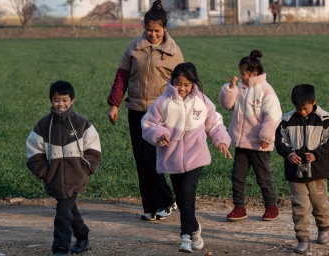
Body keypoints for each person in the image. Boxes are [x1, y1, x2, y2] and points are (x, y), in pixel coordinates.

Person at [142, 62, 232, 253]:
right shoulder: (163, 102)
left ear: (193, 84)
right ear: (172, 82)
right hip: (172, 159)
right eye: (178, 83)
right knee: (182, 200)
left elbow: (214, 123)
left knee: (186, 193)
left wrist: (221, 140)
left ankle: (185, 236)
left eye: (186, 85)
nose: (181, 88)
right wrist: (159, 134)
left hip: (195, 156)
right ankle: (195, 227)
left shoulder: (202, 101)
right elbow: (148, 124)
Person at [107, 0, 184, 221]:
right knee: (141, 160)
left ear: (164, 29)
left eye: (157, 31)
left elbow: (183, 83)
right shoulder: (133, 48)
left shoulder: (174, 53)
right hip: (136, 110)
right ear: (144, 28)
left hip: (160, 114)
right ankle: (150, 207)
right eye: (149, 30)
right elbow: (121, 77)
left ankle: (167, 200)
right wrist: (115, 104)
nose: (152, 34)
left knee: (150, 157)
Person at [26, 81, 102, 256]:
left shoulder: (81, 123)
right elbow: (33, 148)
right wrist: (43, 171)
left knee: (63, 212)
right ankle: (82, 235)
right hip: (54, 177)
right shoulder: (44, 124)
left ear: (72, 100)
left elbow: (94, 149)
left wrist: (85, 168)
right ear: (51, 100)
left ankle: (60, 248)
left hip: (76, 177)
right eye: (56, 100)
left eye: (64, 100)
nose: (60, 104)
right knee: (69, 209)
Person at [219, 50, 282, 222]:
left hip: (259, 143)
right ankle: (239, 207)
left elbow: (274, 115)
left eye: (243, 74)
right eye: (240, 73)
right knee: (237, 177)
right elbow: (228, 105)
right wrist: (230, 89)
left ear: (254, 73)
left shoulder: (266, 90)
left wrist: (266, 136)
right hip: (241, 142)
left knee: (263, 177)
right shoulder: (240, 88)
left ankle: (272, 207)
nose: (241, 77)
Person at [275, 84, 329, 254]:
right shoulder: (286, 121)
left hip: (318, 173)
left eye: (305, 108)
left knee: (320, 204)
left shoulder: (325, 121)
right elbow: (279, 142)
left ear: (314, 102)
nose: (302, 112)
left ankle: (323, 229)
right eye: (298, 108)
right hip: (296, 173)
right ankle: (303, 238)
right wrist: (288, 154)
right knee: (299, 206)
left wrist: (316, 154)